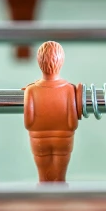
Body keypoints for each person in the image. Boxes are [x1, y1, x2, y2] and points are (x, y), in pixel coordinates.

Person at [23, 41, 82, 182]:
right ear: (61, 62)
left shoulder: (31, 90)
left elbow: (28, 122)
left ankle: (44, 196)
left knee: (43, 176)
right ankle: (59, 196)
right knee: (60, 177)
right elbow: (72, 122)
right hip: (63, 138)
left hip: (38, 138)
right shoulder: (69, 89)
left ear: (39, 62)